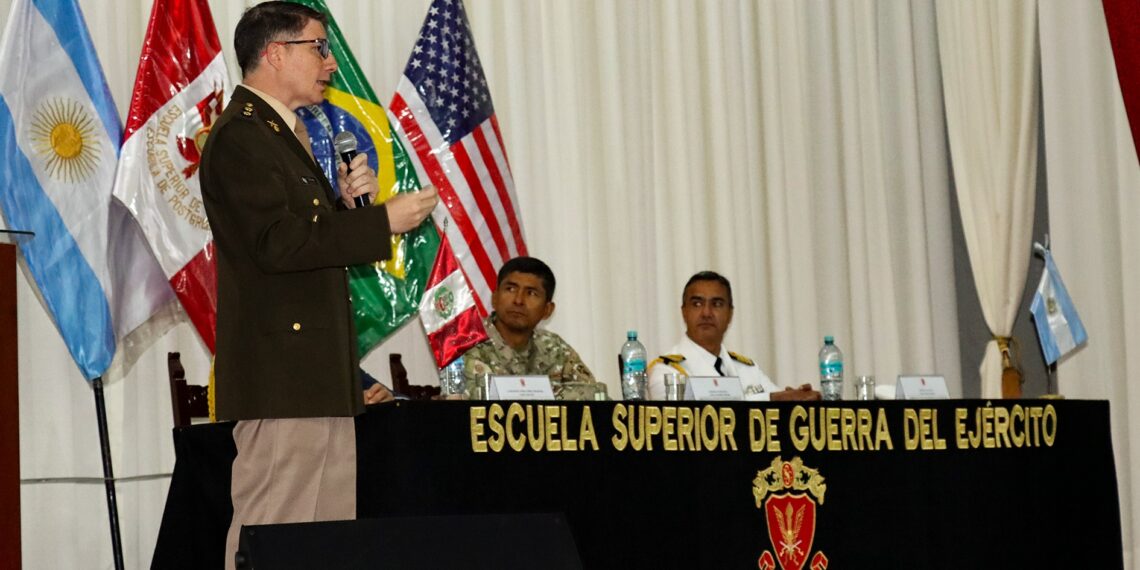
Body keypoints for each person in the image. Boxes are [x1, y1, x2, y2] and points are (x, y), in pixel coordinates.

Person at [199, 3, 438, 568]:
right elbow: (276, 244)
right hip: (283, 378)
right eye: (319, 47)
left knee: (323, 541)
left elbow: (302, 237)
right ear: (275, 53)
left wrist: (349, 208)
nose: (331, 63)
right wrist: (380, 223)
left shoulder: (286, 131)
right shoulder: (240, 137)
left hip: (317, 373)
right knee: (272, 532)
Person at [648, 271, 821, 401]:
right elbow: (698, 414)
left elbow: (779, 402)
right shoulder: (666, 370)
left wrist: (798, 396)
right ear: (684, 312)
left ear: (730, 314)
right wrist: (774, 398)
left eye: (717, 304)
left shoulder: (748, 368)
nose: (706, 313)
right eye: (697, 304)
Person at [461, 257, 596, 398]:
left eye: (531, 293)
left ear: (547, 310)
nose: (518, 300)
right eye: (511, 289)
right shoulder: (466, 343)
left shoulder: (554, 348)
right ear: (494, 298)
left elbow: (594, 395)